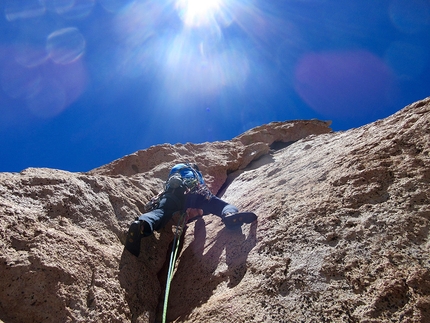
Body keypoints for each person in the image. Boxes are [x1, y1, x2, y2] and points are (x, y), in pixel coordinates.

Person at [125, 163, 257, 257]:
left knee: (160, 212)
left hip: (172, 193)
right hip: (194, 191)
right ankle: (229, 214)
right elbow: (200, 201)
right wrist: (200, 215)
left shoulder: (175, 171)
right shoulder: (195, 173)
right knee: (221, 206)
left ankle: (142, 224)